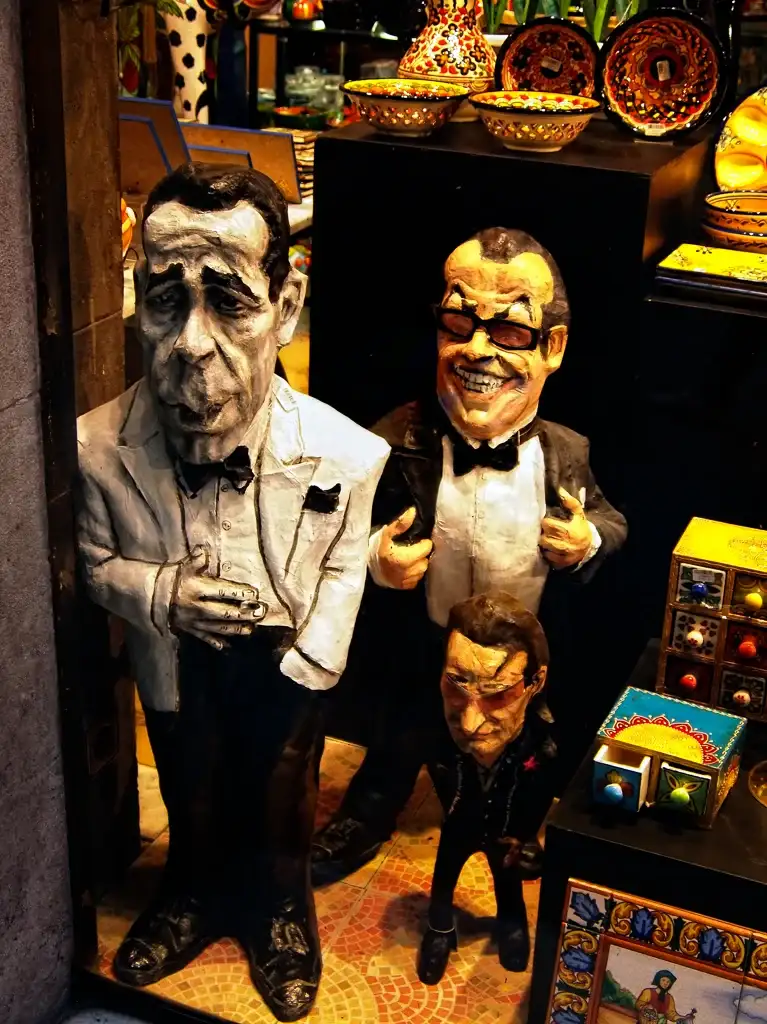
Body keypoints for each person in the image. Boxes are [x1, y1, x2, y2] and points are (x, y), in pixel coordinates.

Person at [76, 164, 389, 1022]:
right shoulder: (97, 449)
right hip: (175, 658)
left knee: (282, 790)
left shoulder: (348, 455)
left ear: (286, 308)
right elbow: (93, 562)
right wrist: (161, 593)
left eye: (228, 302)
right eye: (164, 301)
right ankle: (188, 890)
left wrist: (311, 666)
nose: (190, 343)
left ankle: (282, 910)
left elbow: (344, 568)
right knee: (189, 779)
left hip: (284, 662)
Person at [312, 227, 628, 883]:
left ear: (553, 348)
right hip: (425, 638)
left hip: (520, 650)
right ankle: (368, 814)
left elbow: (609, 520)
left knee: (523, 745)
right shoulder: (395, 439)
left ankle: (513, 828)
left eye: (509, 331)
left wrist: (586, 541)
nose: (477, 350)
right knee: (400, 734)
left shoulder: (566, 453)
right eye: (459, 323)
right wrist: (375, 559)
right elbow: (329, 526)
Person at [418, 592, 558, 983]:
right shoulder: (436, 735)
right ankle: (440, 928)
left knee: (507, 881)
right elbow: (439, 770)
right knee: (445, 877)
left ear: (535, 682)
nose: (469, 723)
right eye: (455, 686)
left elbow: (541, 792)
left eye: (498, 696)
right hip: (459, 823)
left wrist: (527, 838)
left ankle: (512, 923)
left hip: (507, 832)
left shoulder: (540, 746)